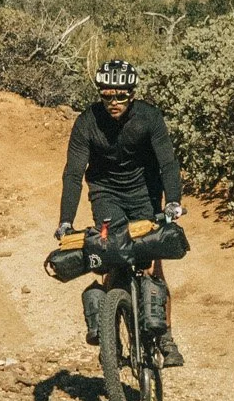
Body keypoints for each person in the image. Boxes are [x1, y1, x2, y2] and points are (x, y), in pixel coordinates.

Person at [57, 58, 185, 366]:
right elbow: (73, 173)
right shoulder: (87, 122)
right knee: (111, 256)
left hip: (145, 193)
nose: (114, 102)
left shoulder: (149, 117)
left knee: (153, 264)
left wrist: (173, 202)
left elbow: (167, 162)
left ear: (132, 93)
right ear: (99, 93)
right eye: (107, 95)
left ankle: (165, 336)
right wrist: (65, 220)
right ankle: (110, 337)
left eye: (121, 96)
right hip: (106, 194)